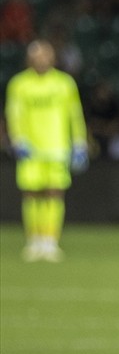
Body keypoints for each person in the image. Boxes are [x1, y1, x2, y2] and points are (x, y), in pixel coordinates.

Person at [5, 40, 89, 263]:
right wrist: (18, 140)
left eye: (44, 55)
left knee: (54, 193)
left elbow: (75, 114)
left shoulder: (64, 83)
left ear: (52, 57)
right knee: (31, 193)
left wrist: (80, 142)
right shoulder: (19, 84)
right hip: (31, 149)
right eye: (36, 56)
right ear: (29, 59)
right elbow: (13, 114)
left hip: (57, 147)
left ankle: (50, 241)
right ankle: (34, 241)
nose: (41, 59)